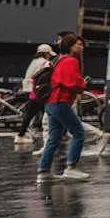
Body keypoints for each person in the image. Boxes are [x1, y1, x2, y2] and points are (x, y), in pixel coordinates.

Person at [36, 34, 90, 183]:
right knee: (78, 133)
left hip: (51, 103)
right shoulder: (71, 61)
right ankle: (71, 168)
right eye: (78, 44)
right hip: (61, 102)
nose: (81, 47)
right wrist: (83, 84)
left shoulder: (58, 60)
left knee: (54, 138)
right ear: (70, 46)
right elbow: (72, 83)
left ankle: (43, 172)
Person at [15, 43, 55, 145]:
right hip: (38, 92)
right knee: (46, 114)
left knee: (32, 114)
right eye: (49, 54)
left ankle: (22, 135)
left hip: (30, 90)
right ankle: (21, 136)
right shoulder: (46, 63)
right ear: (46, 54)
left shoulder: (34, 62)